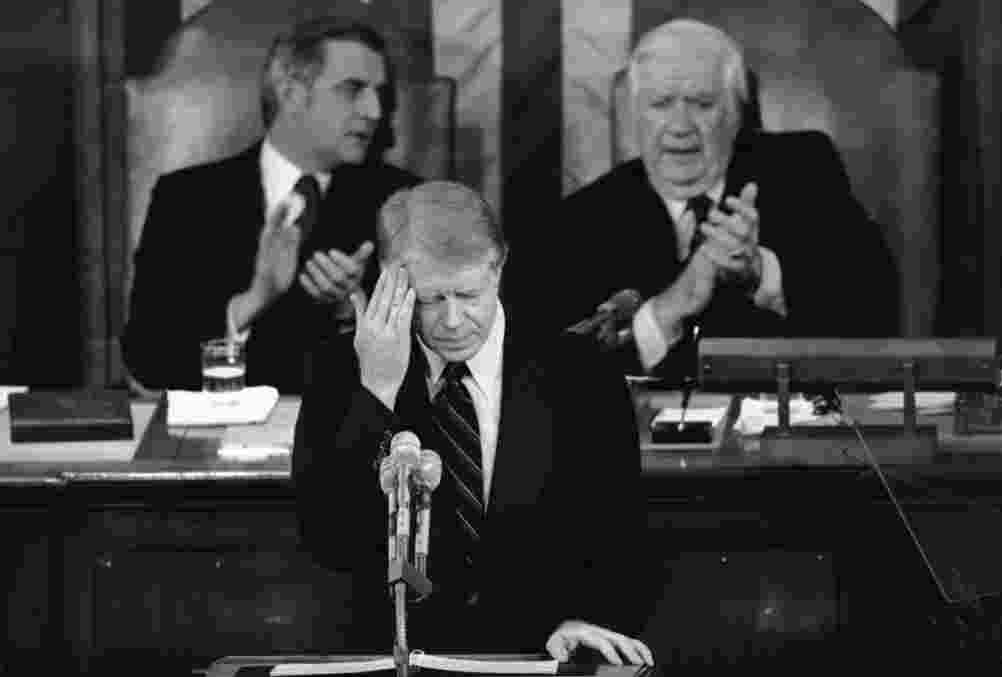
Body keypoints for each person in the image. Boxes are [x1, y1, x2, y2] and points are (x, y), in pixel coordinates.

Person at [293, 181, 653, 664]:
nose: (453, 320)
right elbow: (328, 539)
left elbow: (620, 534)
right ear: (390, 282)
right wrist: (376, 394)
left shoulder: (579, 370)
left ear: (498, 268)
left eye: (468, 294)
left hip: (542, 653)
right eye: (430, 299)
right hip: (399, 657)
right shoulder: (342, 369)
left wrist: (579, 617)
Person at [516, 19, 899, 381]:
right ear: (635, 116)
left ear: (735, 113)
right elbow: (544, 374)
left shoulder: (805, 171)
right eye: (661, 104)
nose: (681, 126)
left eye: (702, 104)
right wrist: (668, 309)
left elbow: (876, 313)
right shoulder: (579, 221)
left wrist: (762, 274)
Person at [121, 17, 420, 394]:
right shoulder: (186, 199)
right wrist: (252, 302)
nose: (374, 110)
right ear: (291, 94)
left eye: (379, 93)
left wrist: (354, 310)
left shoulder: (404, 200)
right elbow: (147, 359)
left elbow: (437, 361)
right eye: (353, 89)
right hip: (222, 424)